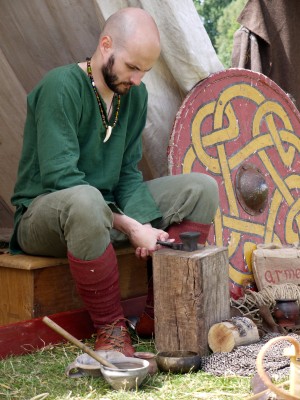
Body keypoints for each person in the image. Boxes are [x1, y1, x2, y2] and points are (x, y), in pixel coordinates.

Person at [10, 7, 219, 356]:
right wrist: (130, 226)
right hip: (45, 215)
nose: (137, 80)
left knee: (201, 188)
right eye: (132, 67)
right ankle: (112, 329)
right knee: (86, 199)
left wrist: (147, 226)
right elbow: (62, 179)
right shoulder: (59, 87)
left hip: (105, 210)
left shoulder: (133, 96)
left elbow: (127, 174)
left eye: (145, 72)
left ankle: (161, 314)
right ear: (106, 45)